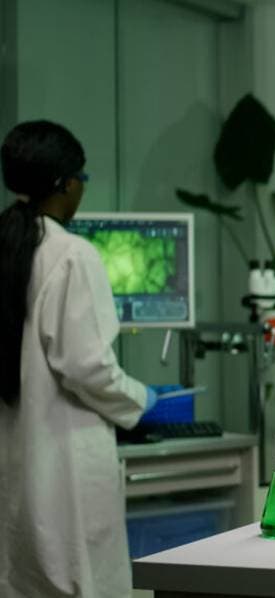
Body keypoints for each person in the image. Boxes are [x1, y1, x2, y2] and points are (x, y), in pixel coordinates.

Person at [0, 120, 157, 598]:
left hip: (16, 457)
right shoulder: (70, 255)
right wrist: (142, 399)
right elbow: (85, 366)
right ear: (65, 184)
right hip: (64, 459)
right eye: (81, 179)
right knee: (79, 577)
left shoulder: (9, 244)